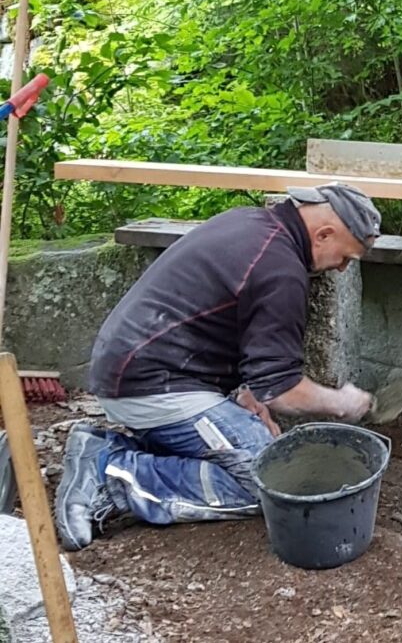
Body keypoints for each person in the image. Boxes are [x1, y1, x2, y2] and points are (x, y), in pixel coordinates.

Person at [54, 183, 382, 551]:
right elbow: (283, 391)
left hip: (141, 369)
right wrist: (342, 402)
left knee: (259, 448)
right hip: (152, 384)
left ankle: (111, 449)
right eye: (346, 257)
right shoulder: (281, 271)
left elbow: (222, 326)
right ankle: (112, 473)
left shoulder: (249, 224)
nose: (341, 269)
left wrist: (246, 393)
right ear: (324, 234)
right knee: (270, 484)